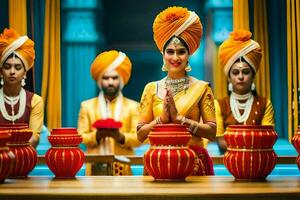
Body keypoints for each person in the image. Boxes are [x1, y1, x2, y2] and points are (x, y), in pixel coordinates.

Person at [137, 6, 216, 175]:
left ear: (189, 55)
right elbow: (140, 134)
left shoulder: (202, 88)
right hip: (158, 162)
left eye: (181, 52)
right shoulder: (151, 88)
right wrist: (161, 120)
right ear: (163, 54)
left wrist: (181, 120)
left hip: (193, 163)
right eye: (170, 52)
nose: (175, 58)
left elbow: (211, 132)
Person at [78, 50, 141, 175]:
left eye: (114, 77)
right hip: (95, 167)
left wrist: (120, 137)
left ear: (121, 79)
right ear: (99, 81)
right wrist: (98, 135)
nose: (110, 82)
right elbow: (81, 137)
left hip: (123, 168)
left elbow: (139, 138)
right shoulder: (87, 106)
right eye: (106, 78)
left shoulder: (133, 107)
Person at [215, 29, 275, 153]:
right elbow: (221, 143)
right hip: (227, 165)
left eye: (246, 72)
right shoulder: (220, 105)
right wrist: (252, 143)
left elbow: (268, 139)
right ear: (229, 77)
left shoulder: (264, 104)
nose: (241, 77)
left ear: (253, 75)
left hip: (259, 162)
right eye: (235, 72)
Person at [0, 28, 44, 148]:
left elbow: (34, 138)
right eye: (7, 67)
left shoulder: (35, 101)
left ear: (25, 72)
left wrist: (14, 153)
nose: (12, 72)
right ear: (1, 71)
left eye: (18, 67)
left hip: (25, 160)